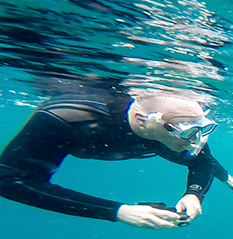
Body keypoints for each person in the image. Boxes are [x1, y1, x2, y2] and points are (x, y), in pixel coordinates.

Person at [0, 90, 220, 229]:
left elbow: (202, 161)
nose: (196, 141)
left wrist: (194, 194)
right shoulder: (64, 119)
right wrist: (117, 210)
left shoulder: (168, 127)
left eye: (202, 129)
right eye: (187, 132)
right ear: (143, 120)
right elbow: (8, 181)